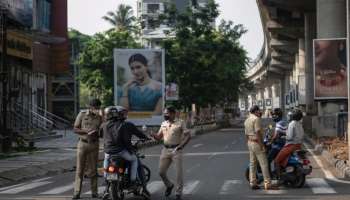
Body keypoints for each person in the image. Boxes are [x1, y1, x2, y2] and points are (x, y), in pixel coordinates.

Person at [101, 105, 151, 196]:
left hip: (108, 151)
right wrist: (145, 138)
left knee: (106, 158)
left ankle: (106, 183)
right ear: (117, 114)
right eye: (123, 113)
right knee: (135, 160)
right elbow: (132, 138)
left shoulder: (104, 125)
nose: (125, 115)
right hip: (121, 151)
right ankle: (133, 182)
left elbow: (100, 135)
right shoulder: (126, 125)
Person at [151, 107, 191, 200]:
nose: (165, 115)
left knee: (178, 173)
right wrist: (153, 135)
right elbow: (158, 137)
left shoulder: (180, 122)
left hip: (176, 150)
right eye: (164, 113)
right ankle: (169, 185)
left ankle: (178, 193)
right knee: (161, 172)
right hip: (165, 150)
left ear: (173, 114)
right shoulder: (164, 123)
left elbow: (188, 136)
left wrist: (181, 146)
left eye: (167, 113)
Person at [72, 99, 102, 200]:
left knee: (94, 170)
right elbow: (75, 129)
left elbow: (103, 130)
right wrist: (86, 131)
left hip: (94, 144)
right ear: (90, 107)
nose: (97, 110)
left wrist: (97, 132)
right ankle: (76, 193)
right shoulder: (82, 114)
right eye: (95, 108)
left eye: (98, 108)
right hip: (82, 144)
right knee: (80, 169)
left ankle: (94, 192)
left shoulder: (100, 117)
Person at [244, 105, 276, 190]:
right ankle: (267, 183)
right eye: (259, 111)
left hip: (250, 142)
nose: (260, 112)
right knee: (264, 164)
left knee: (252, 164)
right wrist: (262, 146)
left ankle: (253, 182)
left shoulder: (247, 120)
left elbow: (246, 134)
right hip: (257, 143)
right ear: (256, 111)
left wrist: (248, 142)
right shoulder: (256, 119)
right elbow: (258, 133)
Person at [274, 109, 305, 182]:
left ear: (293, 116)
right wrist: (285, 133)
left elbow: (289, 136)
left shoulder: (292, 124)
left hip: (291, 145)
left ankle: (279, 178)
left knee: (276, 161)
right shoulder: (299, 124)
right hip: (299, 145)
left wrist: (283, 136)